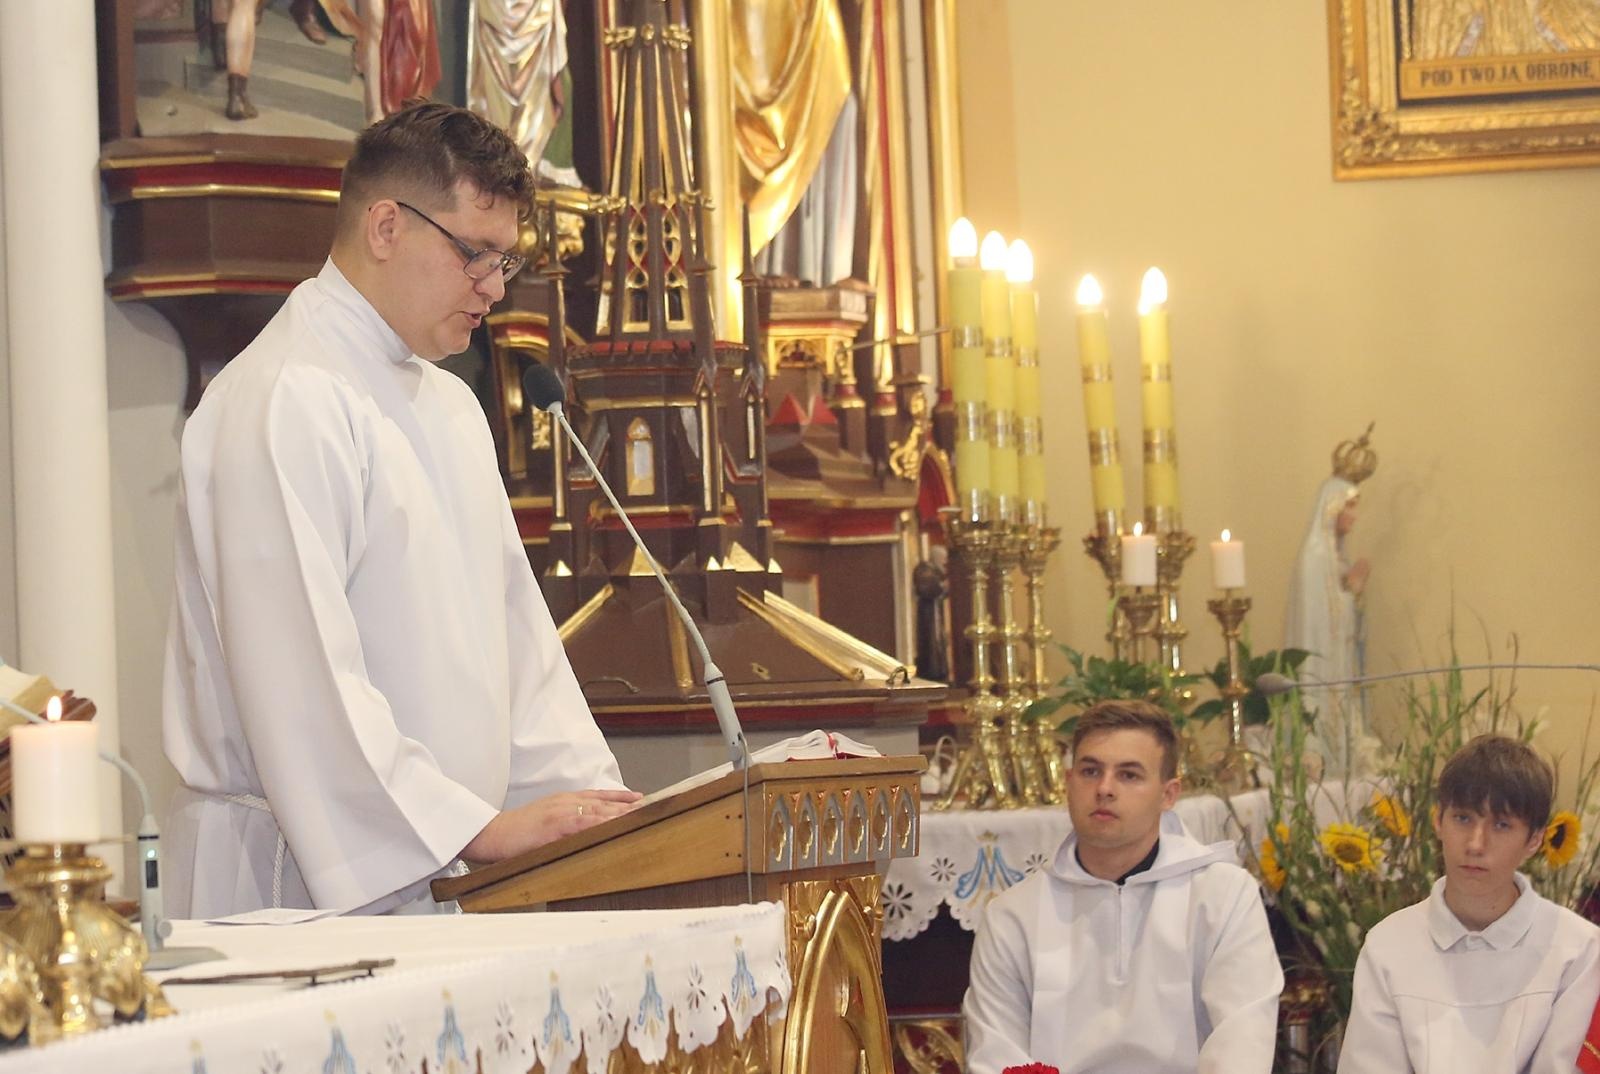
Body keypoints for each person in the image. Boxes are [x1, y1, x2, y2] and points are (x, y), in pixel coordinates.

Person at [163, 101, 640, 918]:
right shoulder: (285, 398)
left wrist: (600, 815)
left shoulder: (451, 408)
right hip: (301, 887)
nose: (494, 288)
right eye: (475, 254)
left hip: (451, 865)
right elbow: (302, 677)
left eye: (506, 261)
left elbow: (518, 649)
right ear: (386, 226)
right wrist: (470, 829)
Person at [962, 700, 1283, 1074]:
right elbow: (996, 1054)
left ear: (1168, 794)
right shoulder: (1013, 915)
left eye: (1129, 775)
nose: (1104, 789)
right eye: (1090, 771)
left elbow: (1242, 1044)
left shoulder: (1223, 896)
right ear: (1068, 783)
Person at [1339, 735, 1600, 1073]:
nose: (1476, 844)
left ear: (1535, 839)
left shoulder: (1578, 950)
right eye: (1462, 819)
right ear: (1438, 821)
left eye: (1502, 825)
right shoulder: (1388, 945)